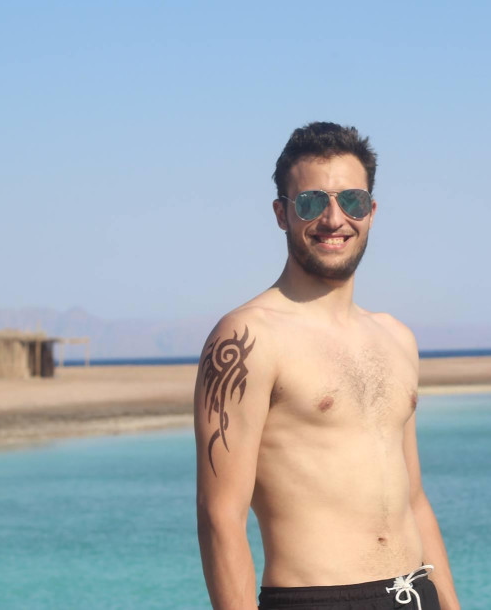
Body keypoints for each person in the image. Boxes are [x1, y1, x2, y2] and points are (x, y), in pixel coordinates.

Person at [194, 122, 460, 610]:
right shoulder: (247, 338)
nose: (334, 219)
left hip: (414, 594)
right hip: (316, 598)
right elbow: (220, 517)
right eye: (312, 202)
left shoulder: (397, 338)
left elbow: (415, 501)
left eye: (352, 201)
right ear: (282, 214)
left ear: (371, 212)